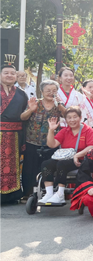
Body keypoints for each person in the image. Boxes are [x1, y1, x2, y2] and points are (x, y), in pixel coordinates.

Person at [38, 107, 93, 204]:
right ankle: (49, 193)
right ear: (66, 120)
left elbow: (92, 146)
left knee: (62, 165)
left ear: (80, 117)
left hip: (81, 160)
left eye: (75, 117)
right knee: (46, 164)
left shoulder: (88, 130)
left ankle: (60, 194)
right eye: (69, 117)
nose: (72, 120)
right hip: (65, 157)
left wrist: (77, 155)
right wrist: (51, 130)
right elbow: (52, 144)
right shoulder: (65, 131)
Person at [20, 80, 65, 197]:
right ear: (41, 92)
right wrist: (30, 109)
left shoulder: (58, 105)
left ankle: (48, 193)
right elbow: (22, 117)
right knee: (29, 168)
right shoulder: (35, 103)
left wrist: (60, 104)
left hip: (51, 143)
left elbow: (67, 115)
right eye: (48, 90)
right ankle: (28, 194)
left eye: (54, 91)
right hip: (32, 142)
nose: (51, 93)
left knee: (49, 168)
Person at [0, 65, 28, 203]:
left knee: (13, 166)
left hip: (15, 135)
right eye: (6, 73)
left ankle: (12, 196)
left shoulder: (21, 94)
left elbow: (24, 116)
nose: (9, 75)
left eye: (12, 73)